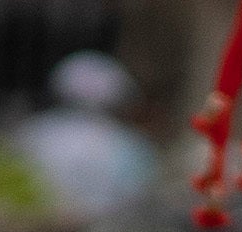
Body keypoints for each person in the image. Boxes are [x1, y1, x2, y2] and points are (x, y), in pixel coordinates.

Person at [13, 50, 156, 219]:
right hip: (105, 229)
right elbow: (140, 199)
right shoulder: (130, 144)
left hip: (39, 226)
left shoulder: (34, 132)